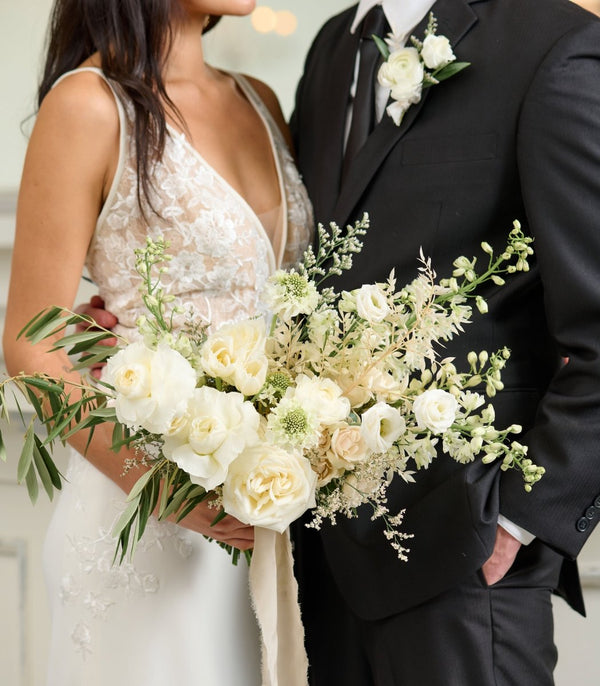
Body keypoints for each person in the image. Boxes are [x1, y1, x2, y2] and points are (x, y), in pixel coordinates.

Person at [289, 0, 600, 684]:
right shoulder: (331, 49)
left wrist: (519, 520)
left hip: (465, 556)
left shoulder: (556, 47)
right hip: (319, 556)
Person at [2, 1, 313, 684]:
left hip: (264, 508)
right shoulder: (88, 105)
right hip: (144, 516)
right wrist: (168, 491)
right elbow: (33, 348)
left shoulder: (258, 100)